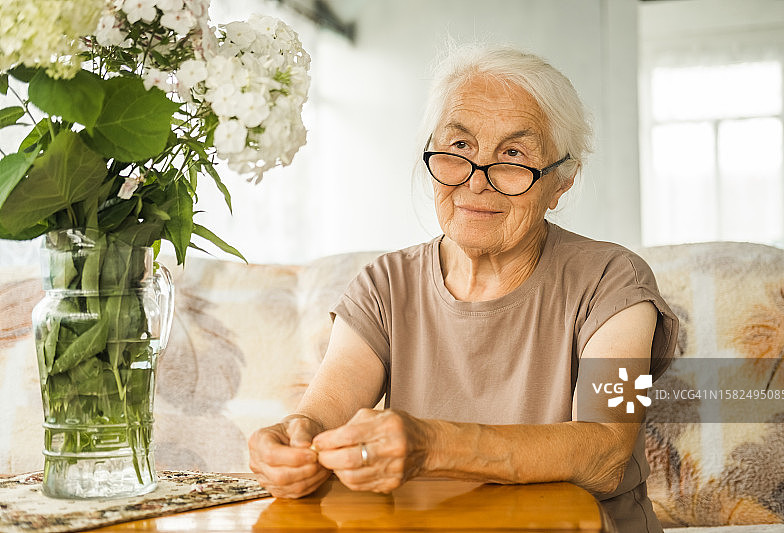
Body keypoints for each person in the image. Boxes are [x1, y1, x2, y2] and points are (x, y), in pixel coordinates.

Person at [249, 44, 679, 533]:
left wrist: (432, 445)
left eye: (513, 155)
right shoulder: (384, 285)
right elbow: (321, 415)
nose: (478, 181)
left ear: (562, 181)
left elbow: (607, 451)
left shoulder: (616, 280)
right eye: (459, 149)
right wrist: (291, 442)